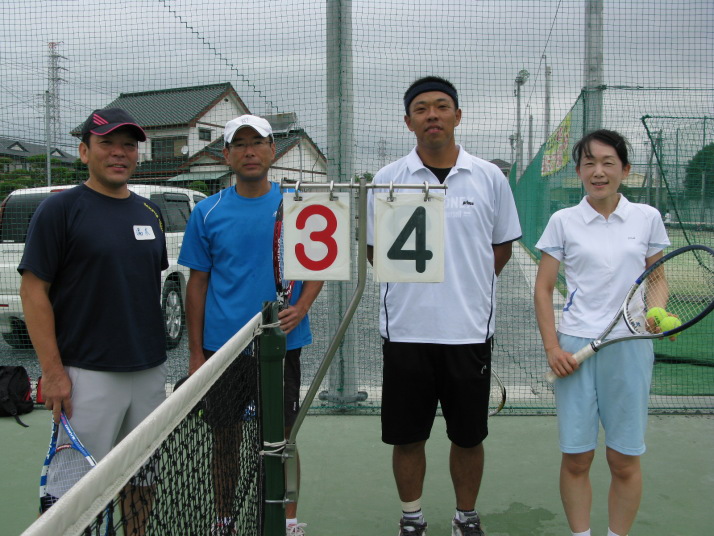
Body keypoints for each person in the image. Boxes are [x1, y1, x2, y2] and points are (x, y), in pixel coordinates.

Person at [366, 76, 522, 536]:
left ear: (458, 115)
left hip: (468, 332)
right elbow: (375, 250)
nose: (432, 115)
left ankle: (465, 517)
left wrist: (466, 285)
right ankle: (412, 519)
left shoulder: (489, 177)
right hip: (406, 332)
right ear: (408, 121)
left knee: (468, 437)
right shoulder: (386, 178)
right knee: (407, 437)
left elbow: (501, 246)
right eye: (421, 109)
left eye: (441, 106)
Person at [19, 108, 168, 534]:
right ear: (84, 152)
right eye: (107, 144)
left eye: (128, 145)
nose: (119, 153)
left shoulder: (150, 213)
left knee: (143, 479)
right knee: (70, 497)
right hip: (86, 375)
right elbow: (33, 292)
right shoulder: (59, 209)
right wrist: (53, 373)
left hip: (149, 372)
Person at [178, 114, 323, 536]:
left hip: (281, 345)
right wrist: (195, 355)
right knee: (225, 438)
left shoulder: (297, 204)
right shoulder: (206, 212)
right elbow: (197, 285)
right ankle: (224, 519)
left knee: (282, 440)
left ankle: (287, 520)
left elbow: (318, 266)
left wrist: (303, 307)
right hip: (223, 350)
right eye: (239, 144)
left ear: (272, 150)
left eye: (257, 142)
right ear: (226, 155)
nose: (249, 152)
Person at [533, 129, 670, 536]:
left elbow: (657, 278)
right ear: (578, 172)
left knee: (623, 460)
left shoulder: (647, 217)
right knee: (577, 458)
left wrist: (657, 311)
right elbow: (543, 289)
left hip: (630, 346)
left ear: (624, 170)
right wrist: (552, 347)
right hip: (575, 347)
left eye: (608, 162)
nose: (598, 171)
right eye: (589, 163)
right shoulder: (563, 221)